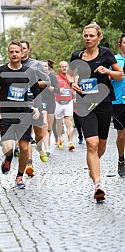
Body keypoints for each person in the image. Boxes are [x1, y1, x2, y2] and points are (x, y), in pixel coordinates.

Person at [69, 22, 123, 201]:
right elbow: (69, 73)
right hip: (85, 103)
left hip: (104, 102)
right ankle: (98, 184)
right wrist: (72, 83)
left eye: (92, 36)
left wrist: (107, 70)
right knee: (91, 143)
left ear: (99, 37)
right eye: (86, 35)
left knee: (101, 146)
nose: (88, 38)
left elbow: (120, 75)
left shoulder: (106, 54)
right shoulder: (76, 55)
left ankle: (94, 167)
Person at [0, 41, 41, 189]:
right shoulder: (0, 71)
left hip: (24, 114)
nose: (14, 54)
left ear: (22, 53)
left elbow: (37, 91)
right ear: (8, 53)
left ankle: (19, 176)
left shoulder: (29, 72)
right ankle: (8, 158)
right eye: (11, 52)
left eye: (17, 52)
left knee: (25, 148)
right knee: (8, 148)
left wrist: (36, 107)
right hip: (6, 113)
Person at [20, 40, 51, 176]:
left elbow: (47, 82)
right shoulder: (14, 66)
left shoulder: (36, 64)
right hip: (22, 105)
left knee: (38, 133)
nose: (21, 51)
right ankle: (29, 164)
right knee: (26, 137)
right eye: (18, 48)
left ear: (28, 50)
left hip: (36, 102)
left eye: (23, 48)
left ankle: (40, 148)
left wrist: (34, 83)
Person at [111, 33, 125, 177]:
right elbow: (107, 76)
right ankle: (121, 159)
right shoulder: (114, 60)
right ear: (120, 45)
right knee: (121, 135)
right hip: (119, 101)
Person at [55, 61, 75, 151]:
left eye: (66, 66)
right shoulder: (56, 77)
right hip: (58, 102)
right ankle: (60, 138)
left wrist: (74, 96)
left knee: (69, 121)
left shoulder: (71, 77)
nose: (64, 68)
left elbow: (74, 88)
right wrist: (58, 90)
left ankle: (70, 142)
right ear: (60, 68)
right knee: (59, 122)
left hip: (68, 101)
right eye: (62, 66)